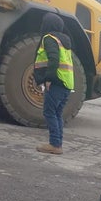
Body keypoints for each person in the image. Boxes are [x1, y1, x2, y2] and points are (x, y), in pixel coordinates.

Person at [33, 12, 74, 154]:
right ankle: (58, 144)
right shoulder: (65, 40)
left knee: (49, 112)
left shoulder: (49, 38)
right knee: (57, 113)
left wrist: (49, 78)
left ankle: (55, 144)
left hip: (56, 81)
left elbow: (53, 59)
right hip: (67, 83)